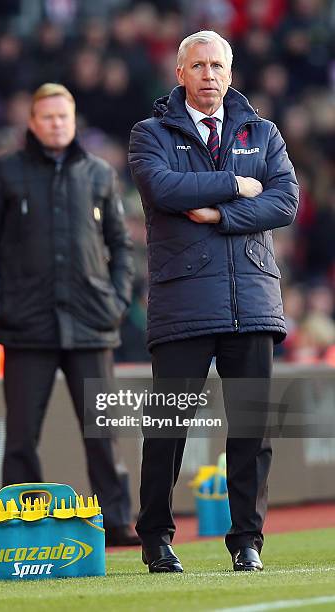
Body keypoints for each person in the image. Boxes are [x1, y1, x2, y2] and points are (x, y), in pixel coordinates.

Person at [129, 31, 298, 571]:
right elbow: (163, 190)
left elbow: (286, 201)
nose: (208, 74)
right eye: (197, 65)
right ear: (179, 73)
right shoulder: (149, 133)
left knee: (253, 429)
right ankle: (155, 537)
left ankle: (247, 541)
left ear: (230, 72)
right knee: (167, 429)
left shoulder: (263, 131)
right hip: (183, 303)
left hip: (252, 300)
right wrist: (237, 184)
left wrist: (221, 214)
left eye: (217, 65)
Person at [0, 83, 138, 546]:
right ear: (32, 123)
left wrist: (117, 300)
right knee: (21, 436)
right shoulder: (2, 173)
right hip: (26, 325)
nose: (57, 124)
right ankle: (21, 527)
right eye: (48, 117)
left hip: (92, 322)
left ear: (74, 119)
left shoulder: (100, 173)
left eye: (64, 116)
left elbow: (122, 245)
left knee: (103, 436)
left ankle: (117, 522)